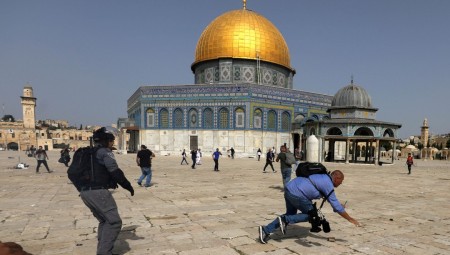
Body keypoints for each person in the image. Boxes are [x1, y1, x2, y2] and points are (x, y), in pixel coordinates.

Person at [258, 170, 361, 244]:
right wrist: (350, 219)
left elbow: (334, 203)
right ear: (336, 177)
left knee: (291, 214)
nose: (341, 183)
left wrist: (338, 206)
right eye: (341, 180)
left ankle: (265, 230)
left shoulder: (323, 176)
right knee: (312, 215)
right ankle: (284, 219)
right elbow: (337, 207)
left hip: (289, 189)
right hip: (298, 194)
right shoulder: (328, 184)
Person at [78, 127, 134, 255]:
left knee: (104, 220)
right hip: (99, 192)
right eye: (111, 140)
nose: (113, 143)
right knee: (114, 222)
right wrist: (127, 185)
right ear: (106, 140)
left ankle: (102, 250)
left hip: (85, 192)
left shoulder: (88, 152)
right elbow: (114, 171)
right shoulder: (104, 152)